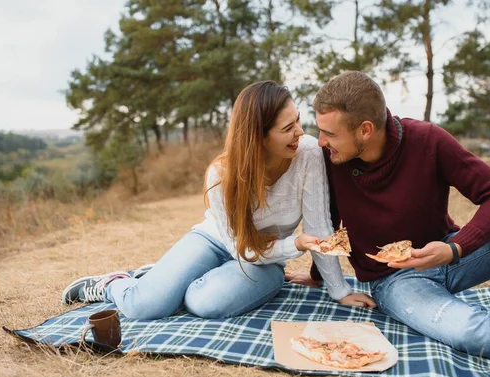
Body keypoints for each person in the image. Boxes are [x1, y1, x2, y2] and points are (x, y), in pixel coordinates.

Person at [286, 71, 490, 361]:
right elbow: (327, 222)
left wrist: (454, 248)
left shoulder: (428, 141)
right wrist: (318, 275)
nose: (320, 142)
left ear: (365, 129)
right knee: (473, 332)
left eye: (329, 133)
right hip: (394, 281)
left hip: (450, 253)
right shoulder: (333, 160)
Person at [61, 81, 375, 320]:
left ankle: (165, 278)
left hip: (265, 260)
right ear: (258, 137)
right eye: (287, 128)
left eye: (297, 120)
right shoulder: (222, 176)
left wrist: (339, 291)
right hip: (218, 241)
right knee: (142, 307)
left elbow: (319, 224)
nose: (300, 133)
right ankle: (113, 283)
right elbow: (244, 248)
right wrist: (297, 244)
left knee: (203, 303)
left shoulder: (307, 153)